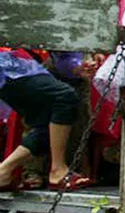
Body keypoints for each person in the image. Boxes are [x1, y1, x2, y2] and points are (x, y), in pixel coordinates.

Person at [0, 48, 93, 190]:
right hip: (9, 64)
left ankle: (3, 171)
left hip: (19, 62)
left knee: (49, 124)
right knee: (64, 96)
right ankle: (57, 170)